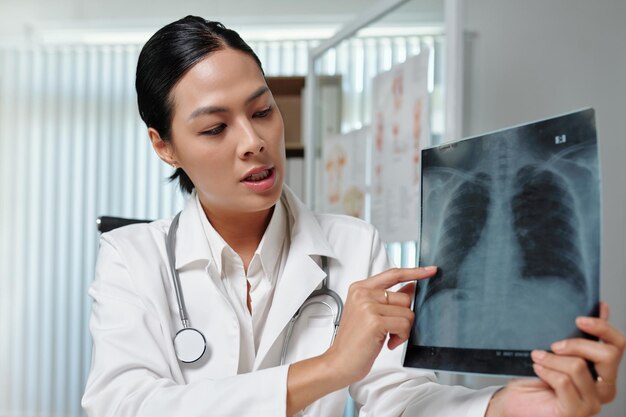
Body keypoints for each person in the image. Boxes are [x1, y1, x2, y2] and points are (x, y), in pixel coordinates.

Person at [81, 15, 625, 417]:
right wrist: (331, 368)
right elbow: (124, 405)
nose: (254, 142)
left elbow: (395, 397)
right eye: (215, 128)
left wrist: (506, 406)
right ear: (164, 145)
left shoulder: (352, 244)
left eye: (263, 110)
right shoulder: (133, 257)